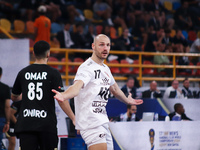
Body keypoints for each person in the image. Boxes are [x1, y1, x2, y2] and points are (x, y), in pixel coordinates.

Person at [52, 34, 143, 150]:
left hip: (102, 120)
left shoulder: (105, 68)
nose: (105, 48)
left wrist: (127, 100)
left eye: (108, 45)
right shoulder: (87, 67)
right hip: (90, 122)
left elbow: (114, 89)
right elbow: (76, 87)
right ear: (93, 46)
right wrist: (64, 95)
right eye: (101, 45)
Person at [11, 41, 75, 150]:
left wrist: (25, 95)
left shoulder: (23, 72)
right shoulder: (53, 73)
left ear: (34, 53)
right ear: (48, 54)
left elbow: (14, 97)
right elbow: (61, 99)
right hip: (46, 125)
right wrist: (73, 118)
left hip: (26, 124)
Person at [0, 67, 10, 150]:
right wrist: (8, 122)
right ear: (1, 75)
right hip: (1, 118)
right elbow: (7, 106)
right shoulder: (5, 88)